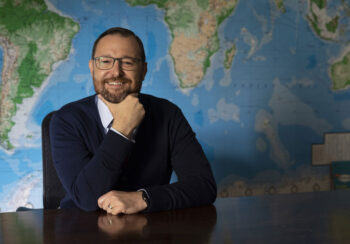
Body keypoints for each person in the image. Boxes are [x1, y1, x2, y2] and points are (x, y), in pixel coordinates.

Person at [50, 27, 217, 215]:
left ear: (143, 71)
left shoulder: (168, 114)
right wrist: (122, 129)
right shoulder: (66, 120)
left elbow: (204, 186)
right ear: (92, 68)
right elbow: (87, 199)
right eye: (105, 62)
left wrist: (143, 198)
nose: (116, 72)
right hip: (81, 230)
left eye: (128, 63)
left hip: (149, 231)